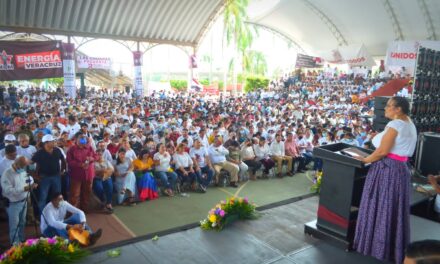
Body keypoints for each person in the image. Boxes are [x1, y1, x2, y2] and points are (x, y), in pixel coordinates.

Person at [354, 97, 417, 264]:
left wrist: (364, 160)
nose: (385, 109)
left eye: (389, 106)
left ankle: (375, 246)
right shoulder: (409, 123)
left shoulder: (395, 125)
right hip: (400, 169)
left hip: (387, 168)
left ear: (399, 109)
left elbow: (382, 152)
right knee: (391, 207)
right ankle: (391, 247)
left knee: (381, 205)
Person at [1, 157, 37, 244]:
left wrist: (32, 183)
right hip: (13, 204)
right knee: (15, 225)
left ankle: (22, 239)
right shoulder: (7, 174)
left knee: (22, 222)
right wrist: (24, 188)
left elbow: (28, 178)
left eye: (24, 166)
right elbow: (8, 190)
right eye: (22, 167)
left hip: (23, 201)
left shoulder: (22, 171)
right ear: (16, 164)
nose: (23, 169)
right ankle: (15, 244)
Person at [32, 134, 66, 216]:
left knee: (58, 196)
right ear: (46, 143)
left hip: (56, 177)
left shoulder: (57, 150)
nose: (55, 142)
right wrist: (35, 176)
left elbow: (63, 159)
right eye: (52, 141)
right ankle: (43, 216)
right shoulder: (39, 153)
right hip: (44, 178)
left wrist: (63, 170)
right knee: (43, 197)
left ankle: (58, 215)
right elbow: (32, 164)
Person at [66, 133, 99, 212]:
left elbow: (96, 156)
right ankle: (74, 212)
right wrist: (80, 165)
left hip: (89, 175)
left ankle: (85, 210)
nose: (83, 140)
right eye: (81, 138)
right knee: (75, 194)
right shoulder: (72, 149)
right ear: (76, 140)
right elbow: (69, 162)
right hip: (76, 175)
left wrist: (91, 159)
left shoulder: (90, 148)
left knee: (87, 192)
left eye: (84, 139)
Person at [93, 149, 114, 213]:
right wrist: (101, 171)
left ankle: (109, 203)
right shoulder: (93, 163)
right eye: (98, 154)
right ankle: (103, 201)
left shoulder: (106, 161)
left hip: (106, 177)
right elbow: (93, 172)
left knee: (109, 186)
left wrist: (105, 172)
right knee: (98, 187)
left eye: (100, 154)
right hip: (97, 178)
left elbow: (112, 170)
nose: (99, 156)